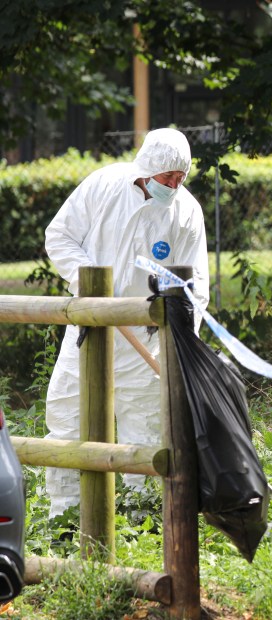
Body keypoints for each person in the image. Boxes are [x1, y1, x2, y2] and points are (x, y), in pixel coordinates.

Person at [44, 128, 210, 517]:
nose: (173, 184)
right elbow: (60, 237)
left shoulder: (185, 213)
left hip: (145, 338)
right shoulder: (103, 185)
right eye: (166, 176)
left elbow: (193, 285)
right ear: (146, 167)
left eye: (179, 177)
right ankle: (65, 515)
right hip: (88, 325)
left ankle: (142, 518)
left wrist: (182, 339)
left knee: (146, 428)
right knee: (68, 417)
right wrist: (92, 286)